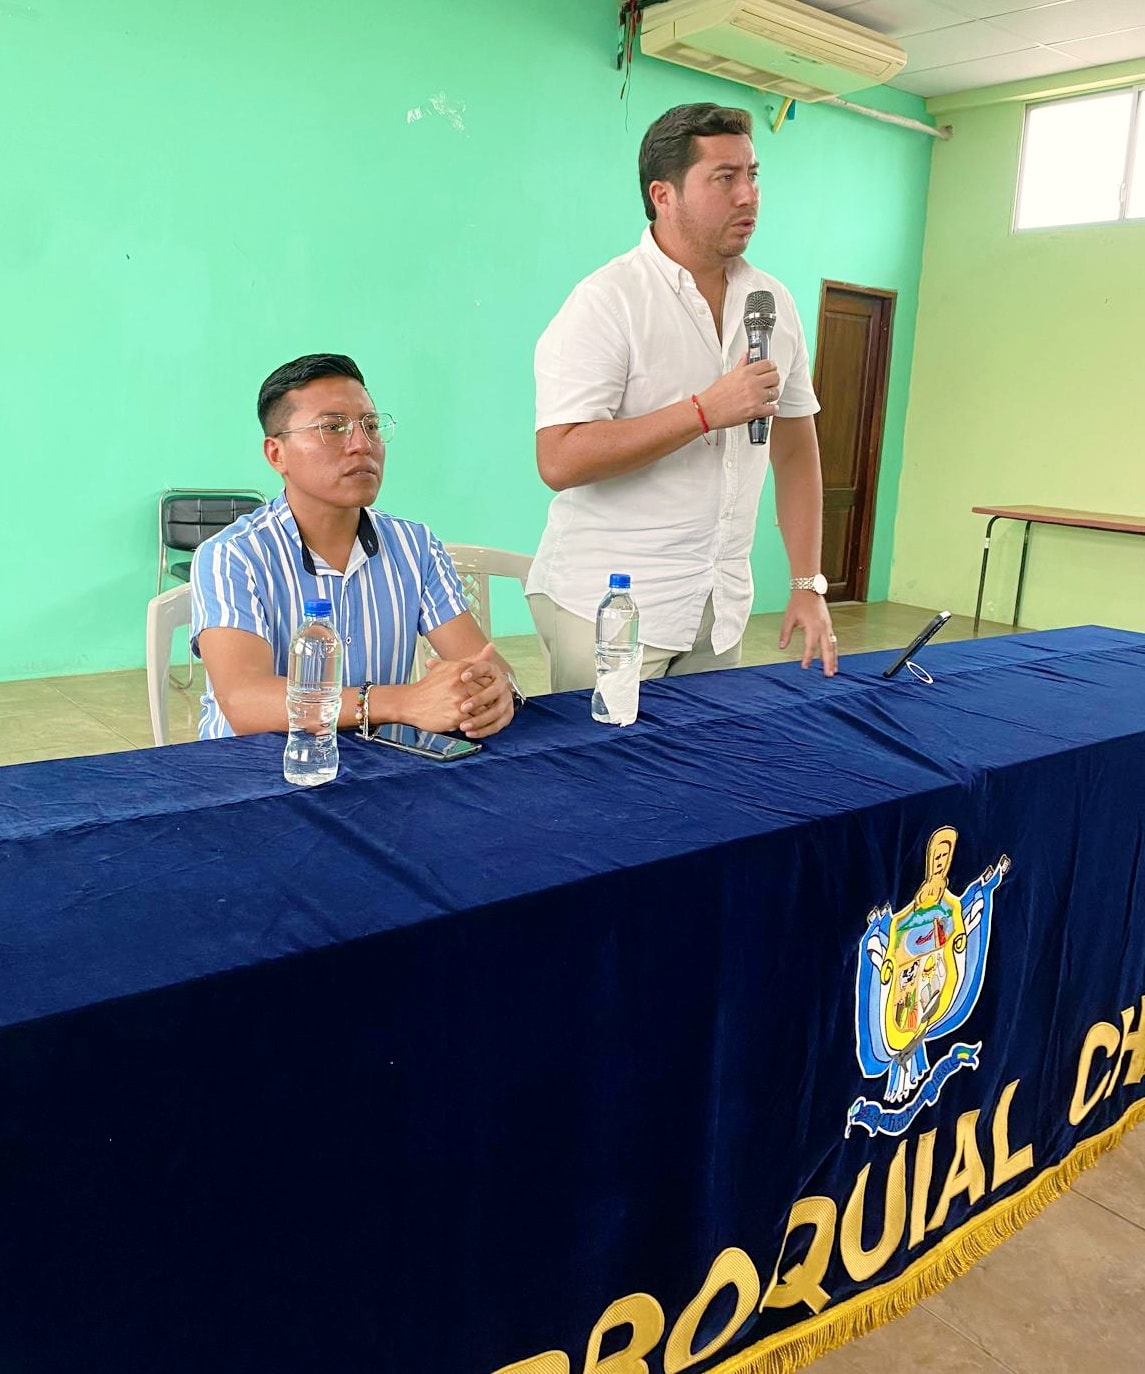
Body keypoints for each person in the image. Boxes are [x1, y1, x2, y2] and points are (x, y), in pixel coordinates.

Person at [527, 102, 837, 690]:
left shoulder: (772, 303)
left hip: (719, 606)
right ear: (663, 195)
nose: (748, 196)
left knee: (705, 752)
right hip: (610, 606)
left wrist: (807, 584)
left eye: (753, 175)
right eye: (725, 178)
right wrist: (704, 411)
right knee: (609, 754)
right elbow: (559, 459)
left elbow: (796, 451)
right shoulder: (608, 301)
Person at [190, 353, 520, 740]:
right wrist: (401, 702)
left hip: (385, 764)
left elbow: (481, 663)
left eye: (371, 426)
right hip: (259, 767)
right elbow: (246, 702)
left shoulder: (415, 546)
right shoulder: (232, 555)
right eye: (333, 427)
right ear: (277, 454)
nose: (362, 445)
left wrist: (494, 690)